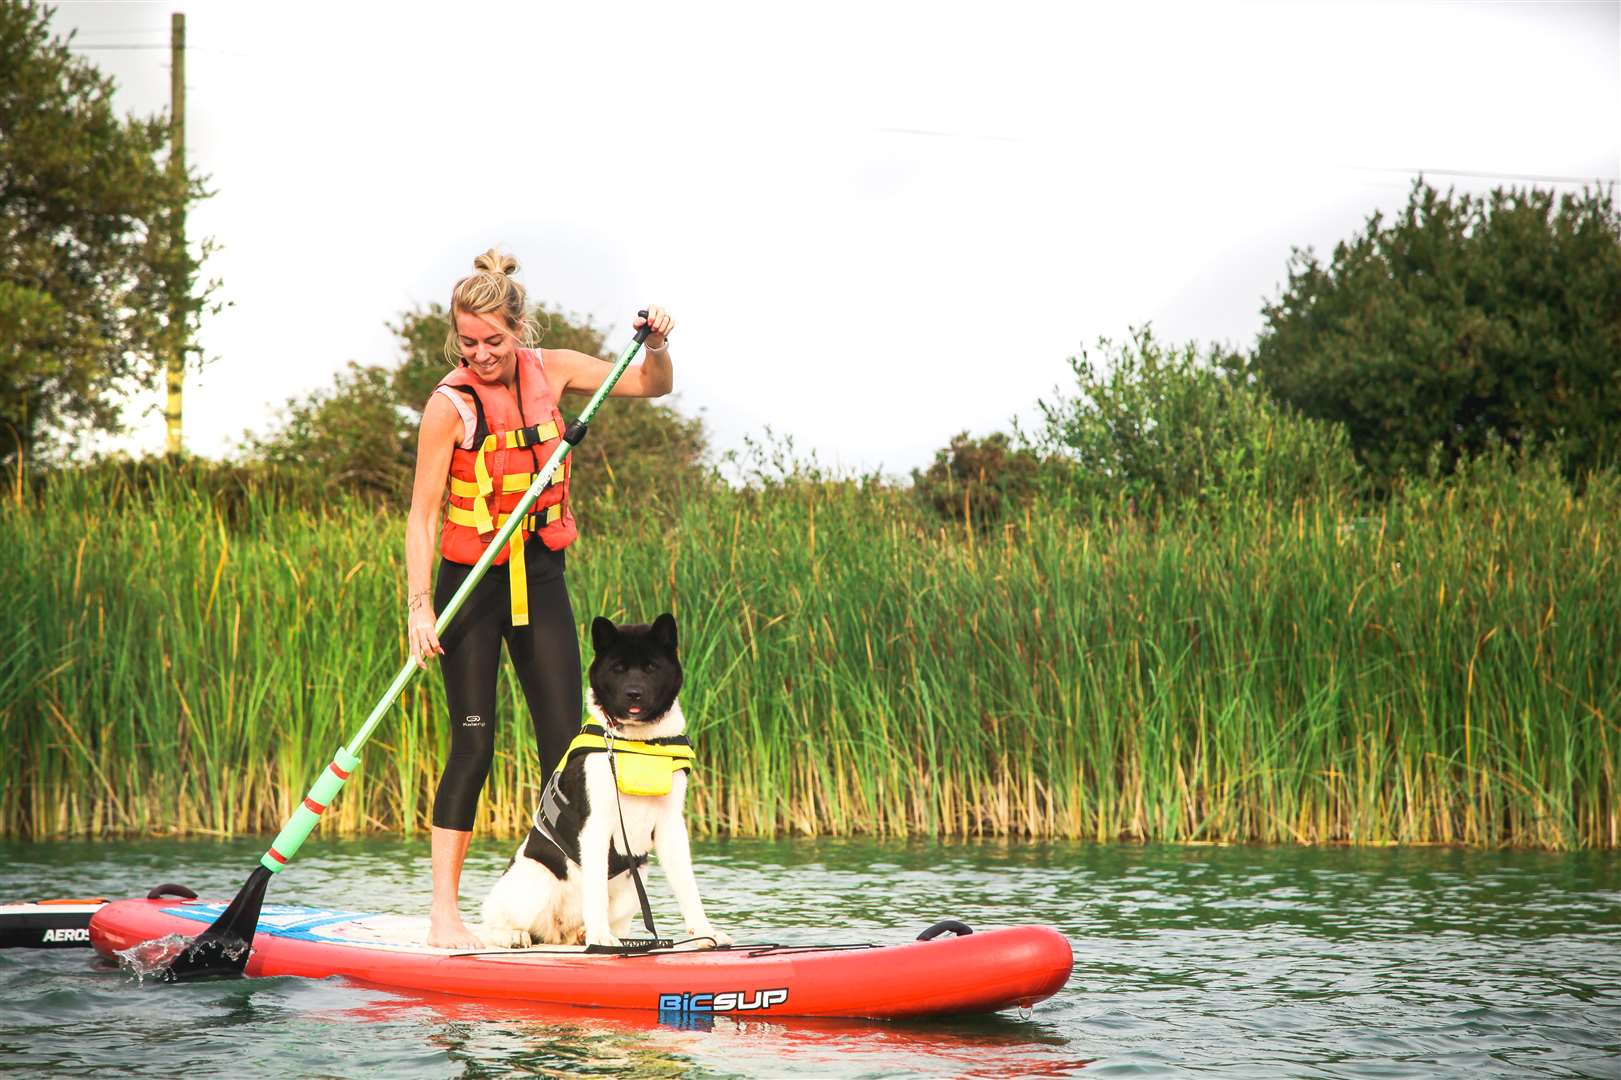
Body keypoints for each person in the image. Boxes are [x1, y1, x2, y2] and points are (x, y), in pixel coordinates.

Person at [404, 248, 675, 948]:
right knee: (473, 745)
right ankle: (444, 917)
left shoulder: (552, 368)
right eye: (467, 342)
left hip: (541, 573)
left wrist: (659, 344)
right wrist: (418, 609)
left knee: (572, 750)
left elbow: (651, 385)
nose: (481, 354)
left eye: (493, 340)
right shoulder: (449, 405)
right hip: (471, 586)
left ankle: (582, 914)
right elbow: (422, 516)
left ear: (519, 329)